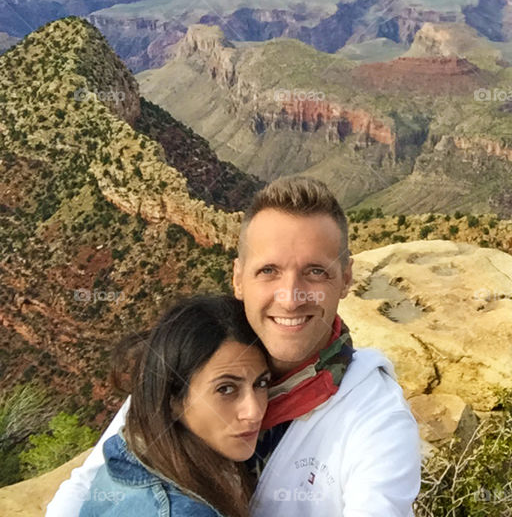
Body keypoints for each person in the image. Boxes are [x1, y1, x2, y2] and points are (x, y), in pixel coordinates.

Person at [47, 177, 421, 517]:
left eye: (315, 271)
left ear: (347, 279)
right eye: (269, 271)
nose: (291, 298)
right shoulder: (199, 354)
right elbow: (86, 483)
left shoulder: (376, 420)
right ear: (238, 279)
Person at [79, 295, 270, 517]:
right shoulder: (181, 511)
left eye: (261, 383)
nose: (254, 411)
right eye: (225, 389)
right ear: (172, 399)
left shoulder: (138, 452)